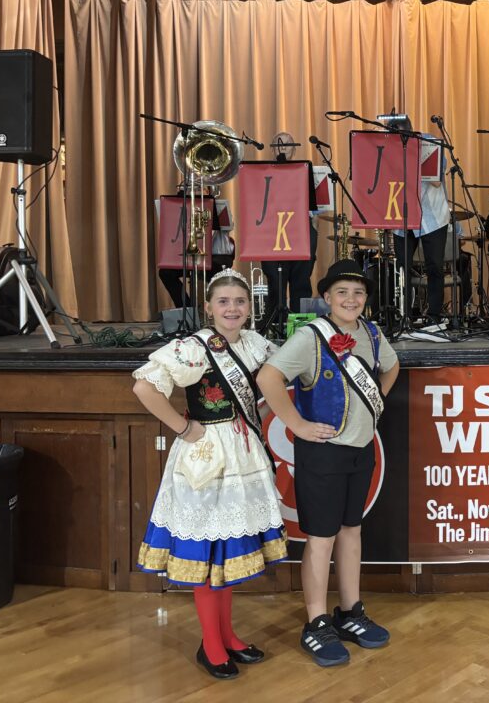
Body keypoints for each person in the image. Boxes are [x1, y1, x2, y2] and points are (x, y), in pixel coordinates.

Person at [132, 267, 287, 679]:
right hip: (205, 458)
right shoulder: (193, 348)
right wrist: (183, 428)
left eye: (239, 301)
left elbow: (278, 381)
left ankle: (228, 635)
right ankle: (211, 644)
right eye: (223, 302)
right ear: (208, 307)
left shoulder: (256, 344)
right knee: (207, 552)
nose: (232, 308)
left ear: (249, 307)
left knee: (229, 552)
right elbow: (144, 387)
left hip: (244, 454)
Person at [256, 259, 400, 667]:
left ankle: (350, 611)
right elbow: (268, 378)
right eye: (342, 292)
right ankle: (317, 621)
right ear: (326, 297)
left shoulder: (372, 333)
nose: (351, 299)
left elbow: (391, 367)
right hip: (323, 453)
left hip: (360, 449)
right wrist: (297, 424)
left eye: (358, 293)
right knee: (321, 538)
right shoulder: (310, 337)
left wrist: (376, 404)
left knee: (351, 531)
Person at [389, 117, 451, 325]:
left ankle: (434, 316)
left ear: (410, 132)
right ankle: (404, 315)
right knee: (401, 268)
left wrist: (410, 161)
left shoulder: (429, 144)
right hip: (402, 217)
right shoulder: (388, 149)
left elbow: (435, 182)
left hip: (432, 216)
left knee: (435, 267)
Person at [258, 131, 319, 335]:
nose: (282, 147)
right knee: (275, 282)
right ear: (272, 150)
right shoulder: (262, 173)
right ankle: (275, 326)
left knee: (301, 281)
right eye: (277, 144)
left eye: (287, 144)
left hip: (301, 229)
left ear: (294, 149)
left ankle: (300, 329)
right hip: (272, 231)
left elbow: (317, 208)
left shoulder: (305, 170)